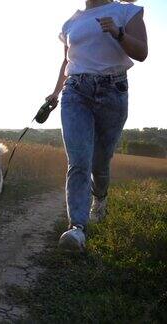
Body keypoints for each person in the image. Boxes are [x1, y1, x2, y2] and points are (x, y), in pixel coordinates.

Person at [45, 0, 148, 251]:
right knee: (79, 160)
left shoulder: (126, 12)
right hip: (75, 92)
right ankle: (77, 228)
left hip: (113, 90)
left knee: (100, 162)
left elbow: (142, 52)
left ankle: (99, 198)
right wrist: (55, 93)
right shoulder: (72, 22)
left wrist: (119, 33)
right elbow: (67, 62)